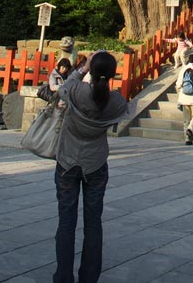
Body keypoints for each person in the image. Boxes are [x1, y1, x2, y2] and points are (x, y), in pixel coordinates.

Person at [53, 51, 128, 283]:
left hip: (67, 160)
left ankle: (63, 277)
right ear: (113, 74)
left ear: (92, 72)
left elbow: (63, 87)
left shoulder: (77, 91)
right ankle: (89, 277)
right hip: (95, 163)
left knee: (66, 221)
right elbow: (125, 111)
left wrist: (83, 67)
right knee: (93, 223)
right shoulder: (116, 101)